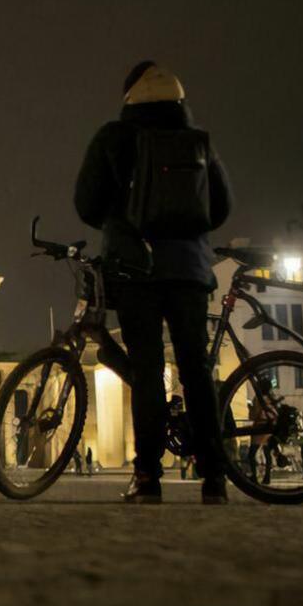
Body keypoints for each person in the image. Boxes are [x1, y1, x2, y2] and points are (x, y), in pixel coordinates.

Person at [74, 62, 233, 504]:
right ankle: (215, 477)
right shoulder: (197, 141)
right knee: (195, 368)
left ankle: (147, 476)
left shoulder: (113, 138)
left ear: (130, 97)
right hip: (189, 270)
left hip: (136, 269)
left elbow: (85, 203)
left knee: (146, 370)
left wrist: (121, 218)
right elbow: (221, 207)